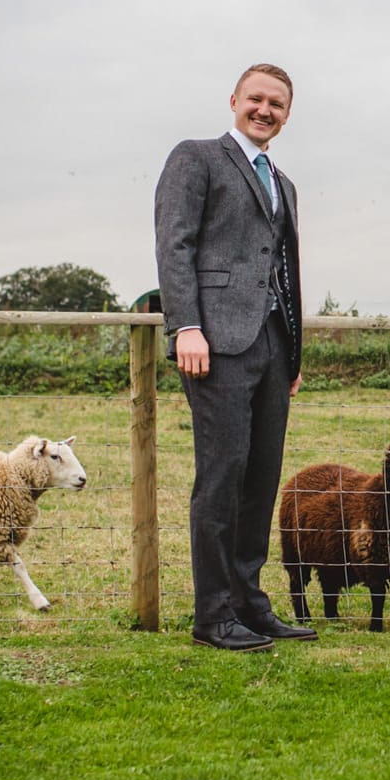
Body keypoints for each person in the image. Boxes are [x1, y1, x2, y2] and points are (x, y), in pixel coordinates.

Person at [154, 63, 316, 651]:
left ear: (287, 113)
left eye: (277, 103)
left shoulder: (285, 183)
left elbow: (285, 271)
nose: (265, 110)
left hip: (272, 346)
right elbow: (175, 244)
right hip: (215, 343)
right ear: (234, 100)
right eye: (256, 99)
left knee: (260, 480)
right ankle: (212, 616)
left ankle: (250, 604)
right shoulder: (195, 158)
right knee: (221, 478)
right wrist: (186, 328)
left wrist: (293, 353)